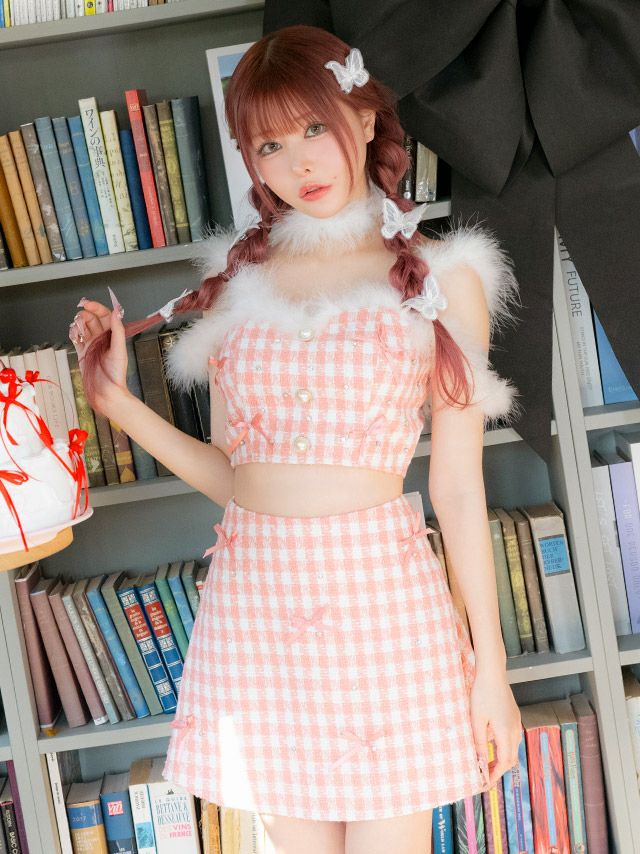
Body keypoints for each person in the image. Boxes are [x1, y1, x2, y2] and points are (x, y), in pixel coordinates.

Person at [68, 24, 523, 854]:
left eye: (315, 128)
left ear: (364, 119)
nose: (298, 163)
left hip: (382, 608)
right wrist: (116, 403)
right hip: (257, 609)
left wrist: (490, 671)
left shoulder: (446, 276)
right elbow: (237, 479)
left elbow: (458, 490)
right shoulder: (242, 284)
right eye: (270, 144)